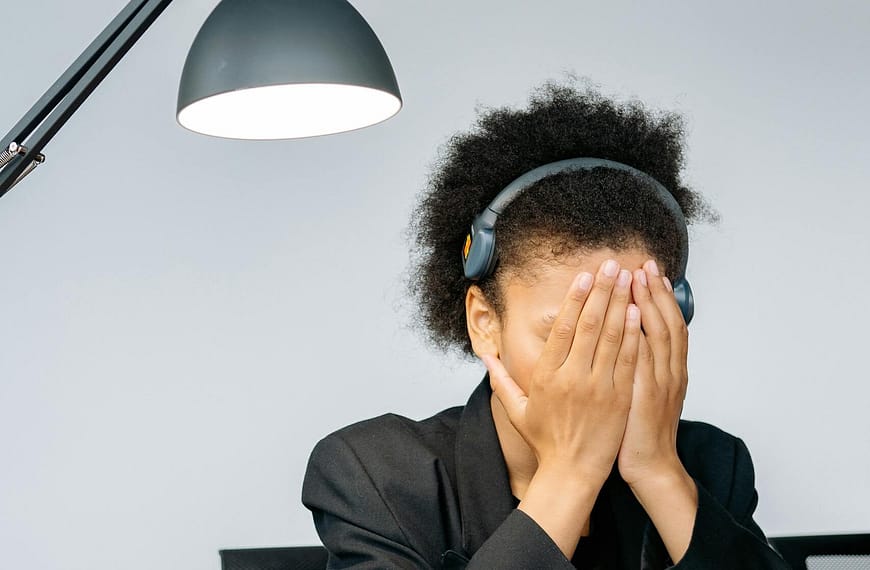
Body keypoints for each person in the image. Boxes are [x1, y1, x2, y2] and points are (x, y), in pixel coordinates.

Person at [302, 81, 789, 569]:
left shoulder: (711, 464)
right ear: (485, 323)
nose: (600, 366)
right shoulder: (375, 473)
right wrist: (570, 473)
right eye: (568, 334)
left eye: (632, 330)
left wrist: (659, 470)